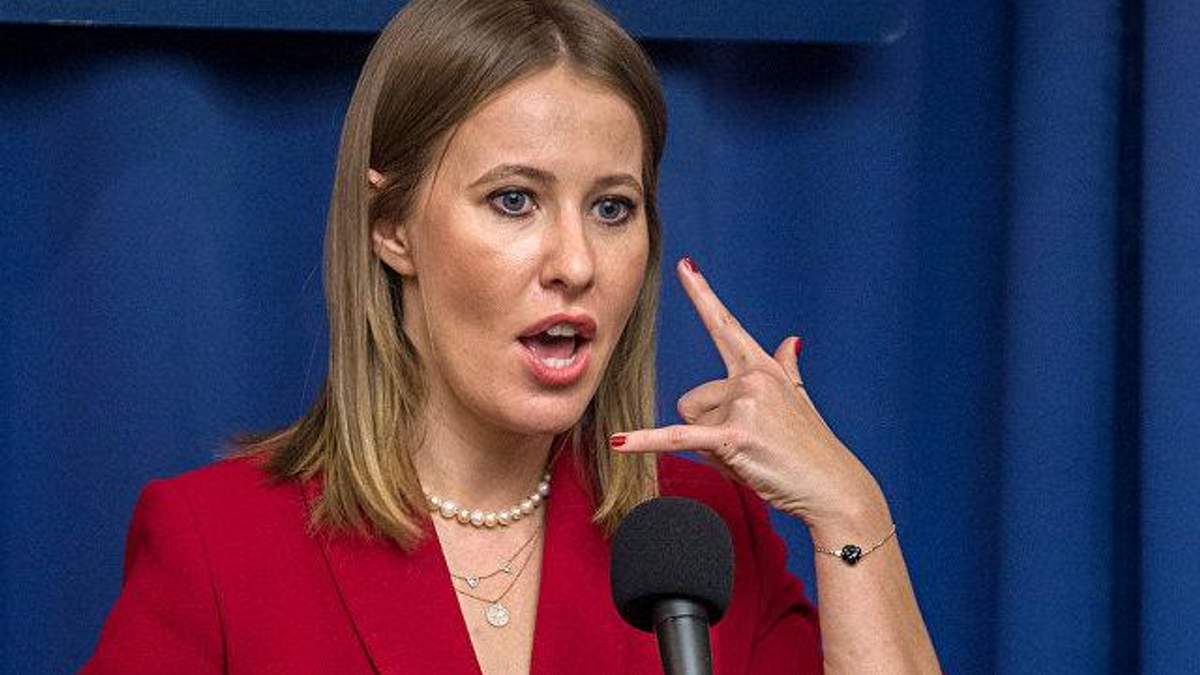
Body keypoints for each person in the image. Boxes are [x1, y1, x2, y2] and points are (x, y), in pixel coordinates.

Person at [83, 0, 941, 672]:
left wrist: (847, 504)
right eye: (514, 200)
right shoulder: (217, 543)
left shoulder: (700, 533)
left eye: (612, 208)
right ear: (391, 226)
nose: (575, 262)